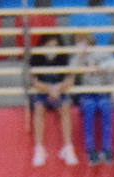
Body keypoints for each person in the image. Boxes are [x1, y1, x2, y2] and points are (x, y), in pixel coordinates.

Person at [70, 32, 114, 166]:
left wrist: (103, 66)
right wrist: (80, 56)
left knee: (105, 107)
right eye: (78, 42)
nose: (81, 45)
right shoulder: (76, 57)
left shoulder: (102, 53)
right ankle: (90, 149)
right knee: (89, 108)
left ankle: (106, 147)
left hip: (102, 92)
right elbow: (71, 70)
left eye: (83, 41)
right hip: (86, 93)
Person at [27, 32, 77, 167]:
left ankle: (68, 147)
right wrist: (49, 89)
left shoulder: (63, 57)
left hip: (59, 90)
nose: (52, 48)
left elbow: (70, 80)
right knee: (38, 108)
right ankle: (39, 149)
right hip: (42, 90)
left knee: (65, 107)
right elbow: (33, 82)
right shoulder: (36, 58)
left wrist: (58, 88)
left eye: (55, 45)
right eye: (49, 45)